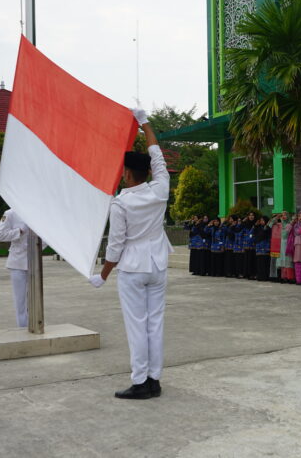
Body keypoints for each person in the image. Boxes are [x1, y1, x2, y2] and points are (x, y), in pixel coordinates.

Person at [89, 108, 173, 400]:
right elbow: (157, 153)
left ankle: (140, 382)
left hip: (133, 269)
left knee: (137, 326)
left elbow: (116, 246)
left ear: (126, 173)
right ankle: (154, 380)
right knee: (155, 323)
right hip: (157, 264)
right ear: (147, 172)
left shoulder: (121, 204)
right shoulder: (160, 188)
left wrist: (102, 275)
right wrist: (144, 122)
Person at [0, 209, 44, 327]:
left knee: (36, 299)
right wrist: (20, 231)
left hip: (34, 261)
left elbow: (46, 236)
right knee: (20, 302)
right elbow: (0, 236)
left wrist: (37, 247)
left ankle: (36, 325)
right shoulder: (10, 213)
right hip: (17, 263)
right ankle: (22, 328)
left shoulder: (38, 212)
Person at [277, 212, 295, 283]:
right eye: (282, 215)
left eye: (285, 215)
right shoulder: (280, 224)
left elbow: (285, 233)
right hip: (281, 243)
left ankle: (290, 277)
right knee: (282, 260)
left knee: (288, 260)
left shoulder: (290, 224)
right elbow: (270, 225)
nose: (284, 216)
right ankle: (283, 277)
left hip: (288, 243)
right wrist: (277, 218)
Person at [254, 216, 272, 281]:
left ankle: (265, 277)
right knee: (259, 263)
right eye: (260, 220)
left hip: (265, 247)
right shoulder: (258, 228)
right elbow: (254, 235)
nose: (261, 222)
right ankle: (260, 276)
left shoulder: (268, 228)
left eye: (263, 220)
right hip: (259, 248)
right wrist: (255, 226)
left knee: (265, 263)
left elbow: (266, 236)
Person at [241, 212, 257, 279]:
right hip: (246, 244)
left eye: (252, 215)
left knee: (252, 260)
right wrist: (242, 221)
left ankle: (252, 274)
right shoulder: (245, 224)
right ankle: (246, 274)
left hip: (253, 245)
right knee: (246, 260)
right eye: (250, 215)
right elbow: (240, 233)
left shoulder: (256, 225)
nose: (251, 217)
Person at [268, 214, 283, 281]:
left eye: (277, 218)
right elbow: (269, 225)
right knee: (273, 262)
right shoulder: (272, 225)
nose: (275, 220)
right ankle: (273, 276)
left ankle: (280, 277)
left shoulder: (282, 224)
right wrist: (275, 218)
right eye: (274, 219)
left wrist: (280, 217)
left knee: (280, 261)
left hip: (281, 245)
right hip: (274, 244)